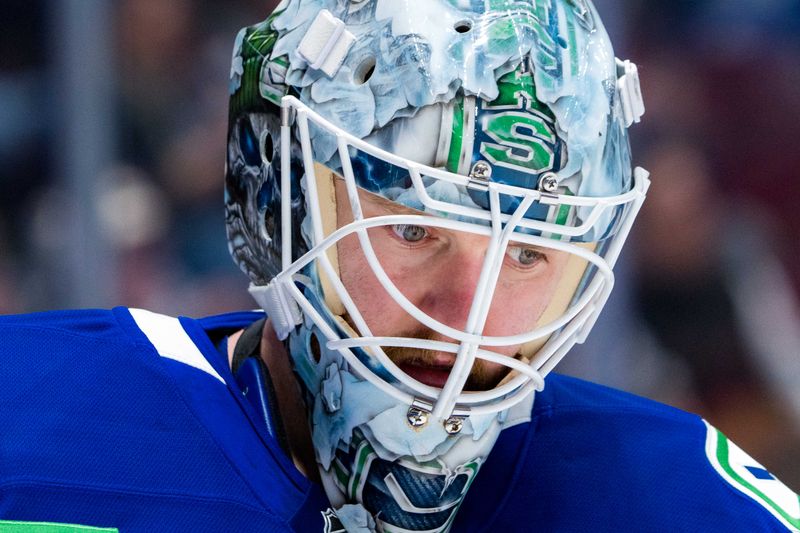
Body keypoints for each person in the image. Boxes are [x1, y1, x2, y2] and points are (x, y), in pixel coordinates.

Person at [1, 1, 798, 532]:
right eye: (416, 232)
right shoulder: (31, 429)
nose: (468, 312)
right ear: (274, 200)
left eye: (527, 253)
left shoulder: (672, 500)